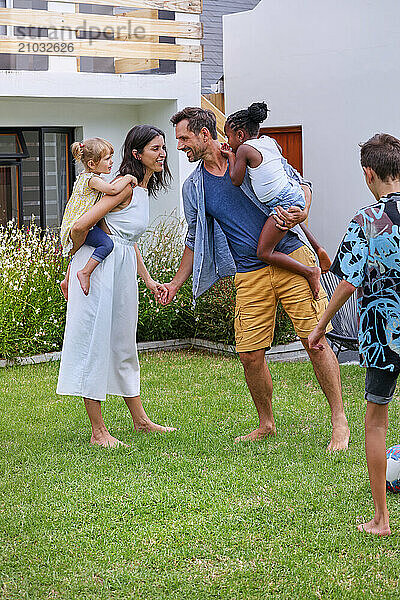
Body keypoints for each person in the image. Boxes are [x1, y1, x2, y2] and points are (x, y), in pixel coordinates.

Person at [162, 106, 349, 451]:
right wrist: (175, 283)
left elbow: (301, 185)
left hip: (292, 255)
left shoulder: (249, 155)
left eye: (185, 138)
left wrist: (304, 209)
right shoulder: (194, 188)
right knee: (249, 354)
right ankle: (266, 423)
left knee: (315, 340)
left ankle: (339, 419)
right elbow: (193, 238)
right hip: (248, 273)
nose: (180, 146)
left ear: (206, 134)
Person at [57, 125, 175, 447]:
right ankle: (98, 432)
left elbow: (128, 240)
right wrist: (76, 262)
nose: (162, 153)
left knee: (123, 343)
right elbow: (81, 225)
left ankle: (140, 421)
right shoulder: (122, 187)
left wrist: (149, 281)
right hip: (97, 271)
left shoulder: (142, 191)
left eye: (163, 147)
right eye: (155, 148)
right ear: (137, 154)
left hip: (120, 270)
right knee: (93, 343)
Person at [309, 133, 400, 535]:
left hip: (384, 333)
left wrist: (320, 324)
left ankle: (381, 519)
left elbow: (346, 281)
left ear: (369, 173)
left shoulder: (366, 221)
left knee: (376, 420)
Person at [221, 102, 331, 299]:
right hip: (291, 193)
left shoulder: (244, 150)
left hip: (282, 201)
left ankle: (309, 272)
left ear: (240, 135)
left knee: (264, 252)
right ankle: (318, 248)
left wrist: (231, 156)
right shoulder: (269, 142)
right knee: (289, 221)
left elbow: (236, 180)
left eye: (228, 136)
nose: (227, 141)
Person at [60, 137, 137, 298]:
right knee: (107, 244)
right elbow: (113, 190)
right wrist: (128, 178)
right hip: (80, 225)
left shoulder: (83, 177)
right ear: (92, 164)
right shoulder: (93, 180)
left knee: (78, 252)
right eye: (107, 159)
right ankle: (85, 272)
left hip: (73, 224)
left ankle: (67, 280)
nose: (111, 162)